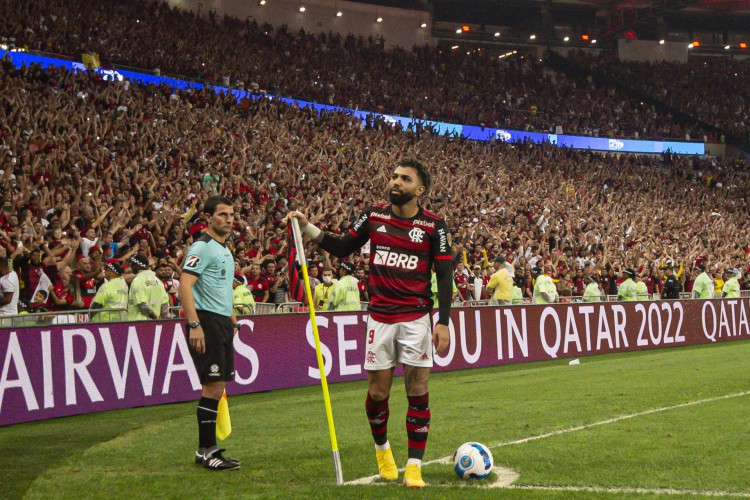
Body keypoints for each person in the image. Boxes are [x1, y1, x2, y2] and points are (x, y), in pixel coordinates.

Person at [286, 158, 452, 489]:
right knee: (378, 392)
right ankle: (383, 451)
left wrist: (443, 322)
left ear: (419, 190)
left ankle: (415, 466)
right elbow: (343, 246)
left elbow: (445, 276)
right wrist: (308, 227)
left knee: (417, 389)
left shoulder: (435, 226)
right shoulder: (373, 216)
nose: (396, 182)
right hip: (380, 317)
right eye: (393, 176)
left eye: (404, 179)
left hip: (417, 318)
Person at [178, 195, 241, 471]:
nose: (229, 219)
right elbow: (184, 284)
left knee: (218, 388)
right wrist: (194, 325)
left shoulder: (224, 248)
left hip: (222, 323)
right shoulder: (202, 247)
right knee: (212, 388)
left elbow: (221, 287)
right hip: (206, 323)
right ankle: (208, 451)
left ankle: (206, 450)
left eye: (231, 215)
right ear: (208, 218)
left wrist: (231, 317)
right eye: (223, 215)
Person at [127, 254, 170, 321]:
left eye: (132, 264)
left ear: (137, 265)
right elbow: (165, 304)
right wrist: (162, 320)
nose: (131, 266)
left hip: (139, 322)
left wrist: (155, 318)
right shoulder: (158, 281)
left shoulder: (137, 281)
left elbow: (142, 305)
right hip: (155, 324)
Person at [0, 246, 20, 325]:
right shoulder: (12, 273)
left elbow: (7, 299)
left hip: (5, 316)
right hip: (9, 314)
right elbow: (9, 264)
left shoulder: (7, 280)